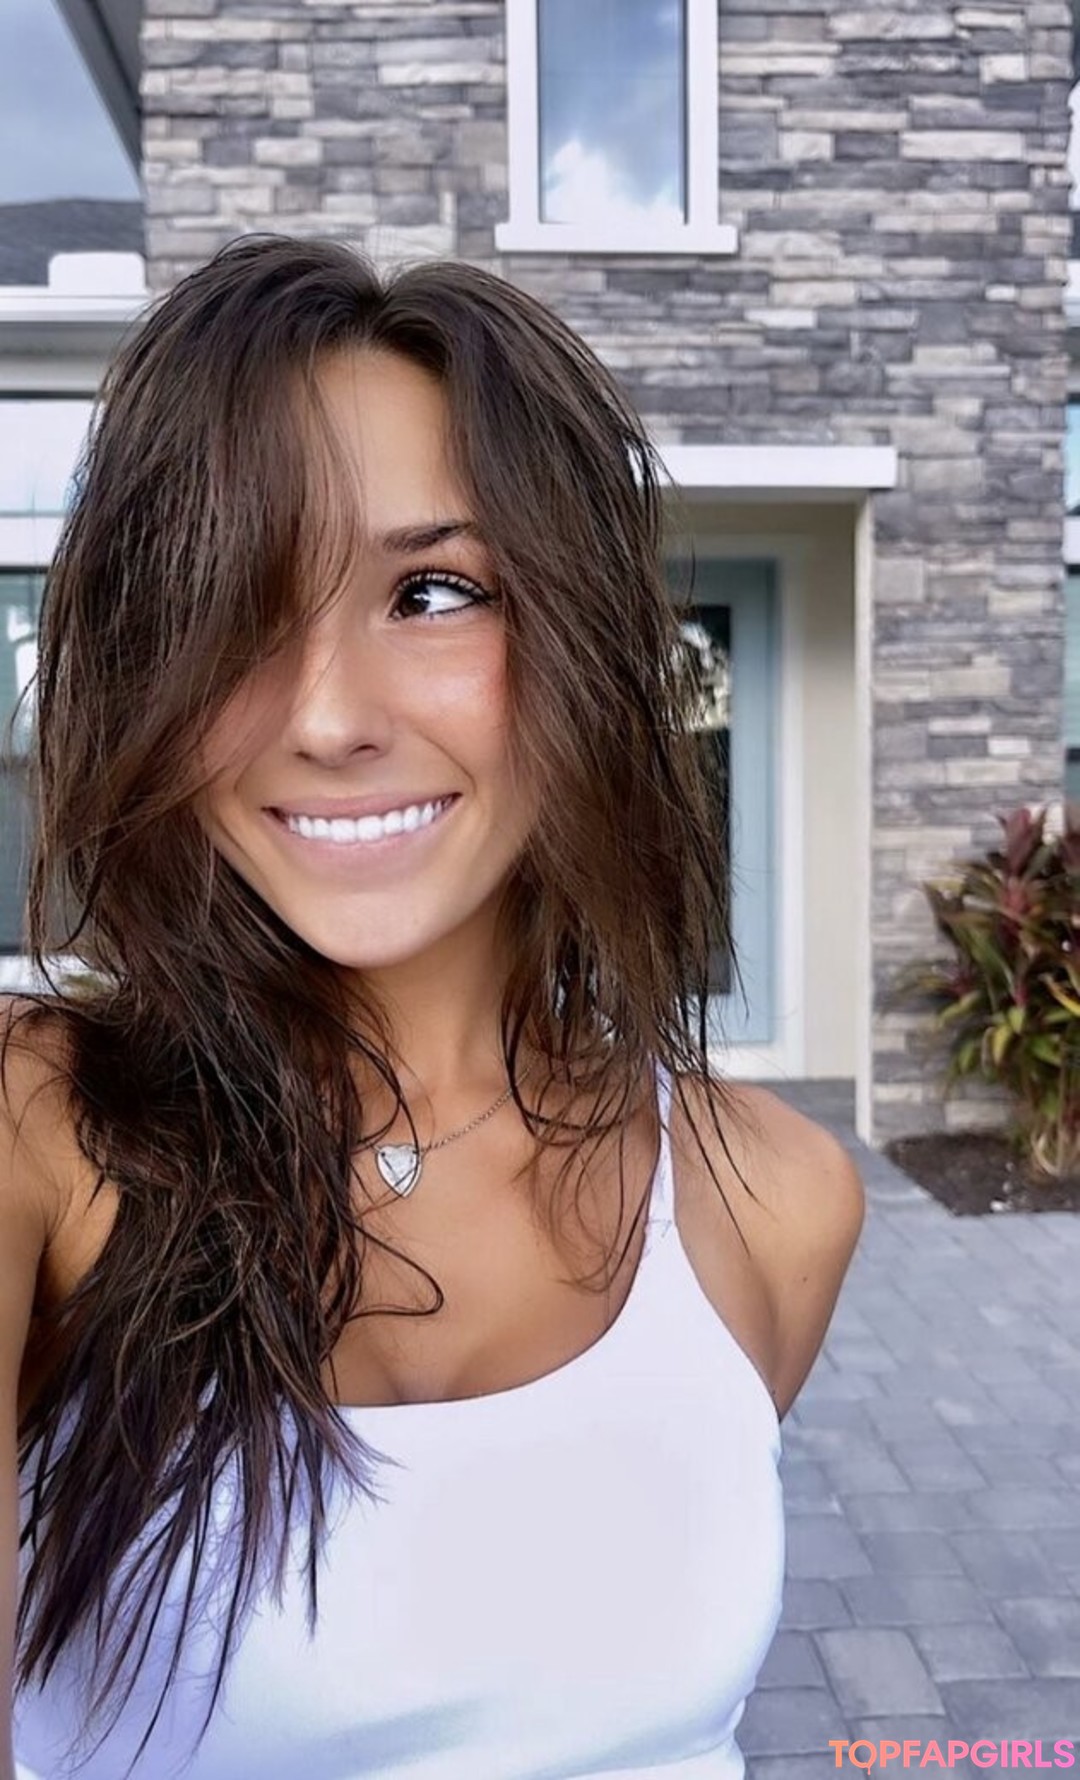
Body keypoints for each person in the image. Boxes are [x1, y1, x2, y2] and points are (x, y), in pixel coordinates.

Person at [0, 234, 865, 1780]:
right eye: (235, 607)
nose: (328, 716)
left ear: (582, 640)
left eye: (434, 591)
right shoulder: (43, 1139)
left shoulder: (774, 1201)